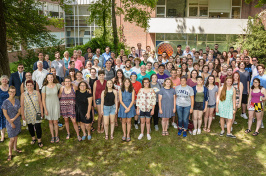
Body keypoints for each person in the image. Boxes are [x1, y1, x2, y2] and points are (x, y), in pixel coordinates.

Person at [20, 80, 43, 147]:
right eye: (28, 85)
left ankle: (39, 140)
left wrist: (41, 112)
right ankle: (33, 138)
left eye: (31, 85)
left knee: (38, 126)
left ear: (33, 85)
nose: (29, 86)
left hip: (37, 112)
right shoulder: (23, 94)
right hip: (28, 113)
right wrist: (23, 114)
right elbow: (22, 105)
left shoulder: (37, 93)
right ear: (26, 86)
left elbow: (40, 103)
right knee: (30, 126)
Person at [2, 86, 21, 161]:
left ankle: (15, 148)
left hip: (16, 120)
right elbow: (5, 114)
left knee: (16, 135)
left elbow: (19, 111)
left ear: (15, 92)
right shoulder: (5, 102)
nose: (12, 93)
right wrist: (11, 122)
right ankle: (10, 153)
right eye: (11, 91)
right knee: (12, 138)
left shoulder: (17, 101)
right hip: (9, 121)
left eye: (13, 91)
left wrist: (14, 119)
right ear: (8, 92)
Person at [59, 77, 81, 141]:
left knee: (74, 121)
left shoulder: (73, 88)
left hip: (72, 107)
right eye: (66, 81)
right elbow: (59, 96)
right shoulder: (61, 88)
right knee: (66, 120)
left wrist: (73, 84)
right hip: (64, 106)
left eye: (69, 81)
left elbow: (79, 90)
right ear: (64, 82)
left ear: (71, 82)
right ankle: (68, 133)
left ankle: (78, 135)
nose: (67, 83)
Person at [42, 74, 62, 143]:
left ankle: (56, 136)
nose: (50, 79)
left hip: (56, 104)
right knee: (50, 122)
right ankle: (52, 136)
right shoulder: (44, 88)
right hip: (48, 105)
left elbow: (64, 87)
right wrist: (45, 109)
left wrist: (59, 94)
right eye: (48, 78)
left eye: (51, 77)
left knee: (55, 122)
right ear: (46, 79)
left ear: (53, 78)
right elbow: (43, 100)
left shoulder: (57, 85)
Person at [0, 75, 9, 142]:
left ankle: (11, 134)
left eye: (6, 79)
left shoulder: (10, 87)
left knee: (9, 120)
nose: (4, 81)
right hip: (1, 107)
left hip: (9, 107)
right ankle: (2, 136)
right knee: (2, 121)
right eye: (3, 79)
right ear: (0, 80)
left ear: (7, 80)